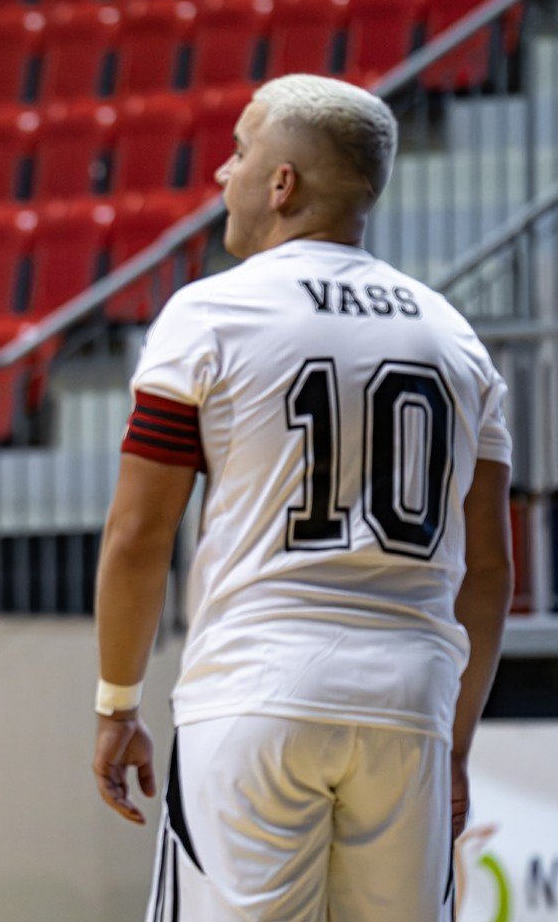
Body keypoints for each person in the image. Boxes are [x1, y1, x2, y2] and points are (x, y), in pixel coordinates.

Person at [91, 74, 514, 921]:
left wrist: (118, 703)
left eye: (241, 152)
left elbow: (139, 534)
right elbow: (490, 572)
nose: (224, 174)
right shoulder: (455, 335)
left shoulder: (210, 313)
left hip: (256, 694)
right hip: (410, 707)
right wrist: (455, 744)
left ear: (281, 184)